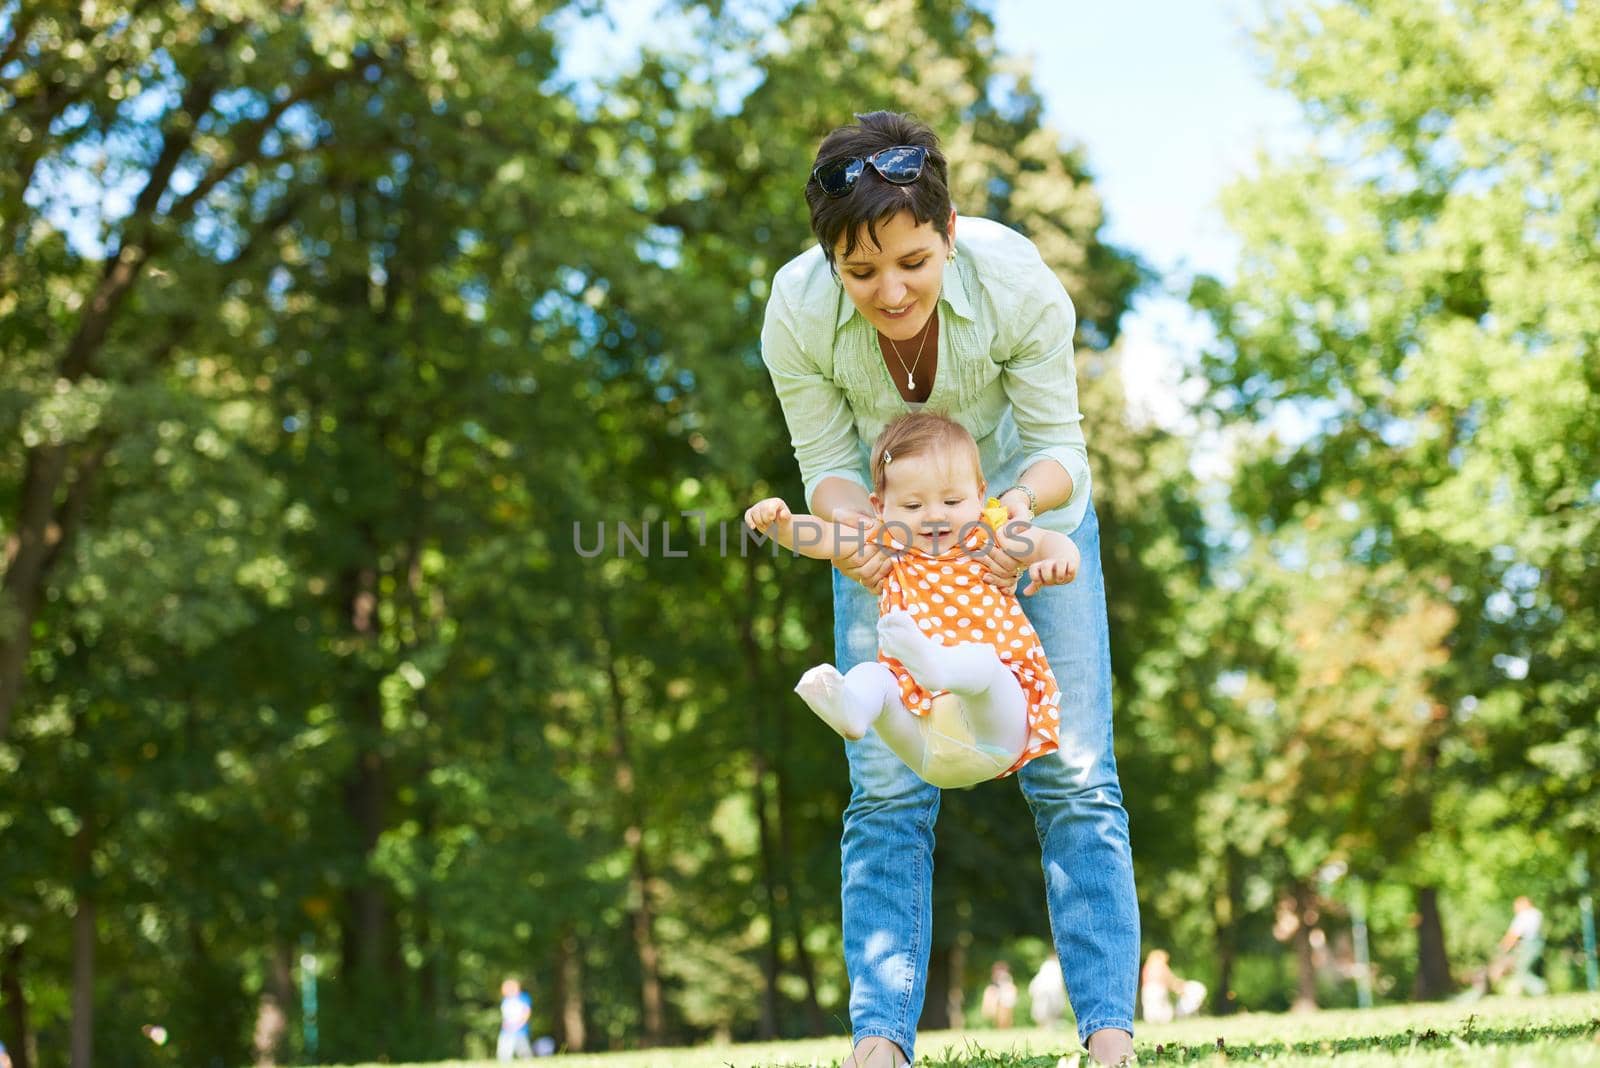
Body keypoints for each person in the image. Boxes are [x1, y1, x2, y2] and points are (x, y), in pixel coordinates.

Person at [758, 110, 1138, 1067]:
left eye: (913, 262)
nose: (890, 291)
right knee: (885, 787)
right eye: (862, 272)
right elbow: (827, 467)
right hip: (888, 540)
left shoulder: (1016, 286)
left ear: (950, 231)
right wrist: (856, 537)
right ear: (830, 259)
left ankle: (1109, 1036)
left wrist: (1005, 523)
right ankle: (880, 1045)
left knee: (1077, 773)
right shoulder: (796, 313)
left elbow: (1062, 455)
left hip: (1020, 519)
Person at [745, 412, 1079, 788]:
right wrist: (782, 526)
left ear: (981, 494)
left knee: (984, 665)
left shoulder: (991, 534)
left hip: (996, 730)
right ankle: (853, 710)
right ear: (880, 507)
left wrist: (1061, 559)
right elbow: (823, 538)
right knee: (874, 677)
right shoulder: (888, 542)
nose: (934, 516)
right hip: (924, 741)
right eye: (913, 507)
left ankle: (940, 668)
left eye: (952, 501)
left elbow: (1048, 542)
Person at [1492, 896, 1548, 996]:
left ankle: (1540, 989)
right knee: (1530, 969)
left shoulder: (1524, 915)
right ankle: (1537, 991)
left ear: (1525, 904)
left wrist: (1504, 947)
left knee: (1521, 970)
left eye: (1516, 906)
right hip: (1538, 944)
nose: (1515, 909)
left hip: (1529, 945)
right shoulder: (1537, 914)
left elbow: (1514, 934)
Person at [1139, 950, 1204, 1023]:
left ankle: (1152, 1024)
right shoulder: (1160, 965)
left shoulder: (1147, 966)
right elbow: (1167, 978)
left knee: (1150, 1009)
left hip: (1147, 989)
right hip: (1158, 989)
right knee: (1164, 1010)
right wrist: (1177, 986)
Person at [497, 977, 534, 1061]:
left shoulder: (523, 998)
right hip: (506, 1030)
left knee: (524, 1051)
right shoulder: (505, 1000)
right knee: (503, 1051)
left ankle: (528, 1063)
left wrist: (519, 1024)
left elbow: (526, 1012)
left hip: (520, 1030)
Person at [1028, 956, 1069, 1028]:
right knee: (1049, 1010)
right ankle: (1046, 1026)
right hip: (1050, 990)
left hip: (1044, 989)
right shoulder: (1055, 966)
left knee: (1043, 1010)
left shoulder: (1048, 965)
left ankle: (1045, 1026)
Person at [980, 960, 1019, 1029]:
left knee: (1005, 1016)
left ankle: (1003, 1027)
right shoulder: (1002, 978)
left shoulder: (1005, 977)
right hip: (1002, 998)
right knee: (1002, 1016)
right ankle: (1002, 1027)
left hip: (1005, 998)